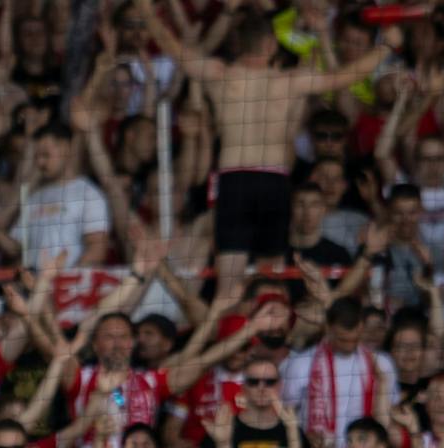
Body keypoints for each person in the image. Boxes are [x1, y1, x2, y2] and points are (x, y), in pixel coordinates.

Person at [141, 6, 393, 298]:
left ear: (238, 43)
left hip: (233, 180)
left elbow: (173, 48)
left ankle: (224, 325)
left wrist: (147, 12)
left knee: (228, 287)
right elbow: (344, 77)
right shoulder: (289, 81)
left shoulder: (219, 74)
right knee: (271, 280)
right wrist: (387, 46)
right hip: (273, 181)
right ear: (271, 45)